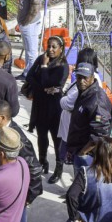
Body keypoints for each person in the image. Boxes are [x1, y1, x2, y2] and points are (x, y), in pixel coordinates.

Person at [47, 50, 112, 222]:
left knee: (79, 195)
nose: (81, 81)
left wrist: (83, 153)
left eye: (85, 78)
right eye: (79, 77)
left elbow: (99, 135)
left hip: (88, 156)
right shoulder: (84, 93)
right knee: (79, 194)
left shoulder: (97, 100)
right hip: (79, 151)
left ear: (93, 77)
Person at [24, 35, 70, 175]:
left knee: (57, 140)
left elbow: (49, 82)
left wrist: (44, 67)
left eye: (54, 47)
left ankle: (58, 168)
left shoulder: (63, 66)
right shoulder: (41, 58)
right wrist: (43, 88)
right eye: (48, 46)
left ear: (61, 49)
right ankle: (43, 161)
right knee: (42, 136)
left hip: (54, 108)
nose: (50, 49)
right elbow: (29, 76)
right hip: (40, 105)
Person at [14, 0, 44, 78]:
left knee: (32, 52)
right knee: (28, 50)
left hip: (30, 23)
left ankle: (31, 78)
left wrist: (26, 22)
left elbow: (36, 6)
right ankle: (27, 73)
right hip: (25, 22)